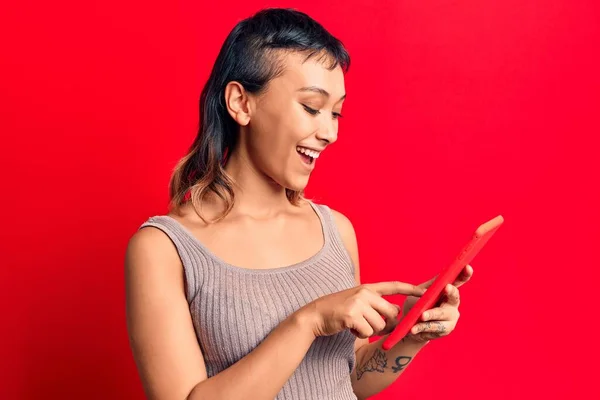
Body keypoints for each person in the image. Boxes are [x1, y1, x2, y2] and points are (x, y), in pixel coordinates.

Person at [125, 7, 473, 400]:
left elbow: (348, 378)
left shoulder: (336, 231)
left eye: (336, 112)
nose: (329, 132)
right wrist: (307, 321)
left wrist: (410, 335)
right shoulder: (163, 249)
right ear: (241, 103)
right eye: (311, 107)